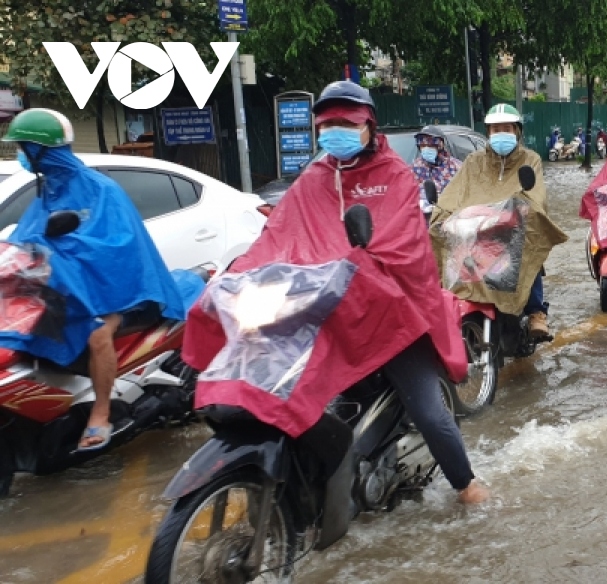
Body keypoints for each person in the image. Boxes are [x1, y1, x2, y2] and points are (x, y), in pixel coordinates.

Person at [183, 81, 488, 504]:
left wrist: (357, 268)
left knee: (429, 413)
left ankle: (467, 485)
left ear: (368, 127)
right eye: (327, 124)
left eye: (347, 123)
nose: (335, 131)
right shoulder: (314, 178)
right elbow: (277, 237)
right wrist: (236, 275)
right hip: (325, 309)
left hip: (393, 313)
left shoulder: (395, 176)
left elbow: (404, 249)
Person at [0, 109, 197, 452]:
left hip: (125, 296)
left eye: (22, 146)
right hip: (74, 293)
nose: (19, 153)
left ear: (41, 149)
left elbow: (117, 248)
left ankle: (100, 413)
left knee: (96, 332)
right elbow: (29, 238)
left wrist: (56, 257)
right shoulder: (47, 189)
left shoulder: (101, 189)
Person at [430, 104, 568, 340]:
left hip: (512, 227)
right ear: (488, 132)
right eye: (495, 129)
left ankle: (536, 312)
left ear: (517, 132)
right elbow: (455, 193)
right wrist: (442, 214)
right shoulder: (474, 161)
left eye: (506, 128)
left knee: (528, 247)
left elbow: (536, 197)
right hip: (476, 229)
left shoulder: (530, 159)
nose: (500, 133)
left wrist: (521, 212)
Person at [410, 125, 463, 218]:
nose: (426, 148)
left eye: (431, 145)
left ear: (440, 145)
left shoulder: (456, 167)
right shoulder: (413, 169)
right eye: (423, 145)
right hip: (422, 221)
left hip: (449, 219)